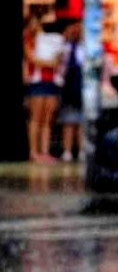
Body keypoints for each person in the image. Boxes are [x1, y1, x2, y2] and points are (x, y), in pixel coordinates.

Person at [23, 12, 64, 163]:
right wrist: (51, 63)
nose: (35, 26)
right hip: (37, 82)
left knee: (47, 119)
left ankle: (45, 151)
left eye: (37, 23)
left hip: (52, 81)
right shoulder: (28, 40)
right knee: (36, 118)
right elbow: (32, 59)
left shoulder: (50, 39)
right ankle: (33, 152)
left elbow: (59, 57)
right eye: (32, 23)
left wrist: (55, 60)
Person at [58, 19, 84, 162]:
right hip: (67, 86)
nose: (76, 31)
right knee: (68, 120)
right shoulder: (64, 47)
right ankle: (67, 151)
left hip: (82, 86)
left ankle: (81, 151)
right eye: (73, 28)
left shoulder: (86, 48)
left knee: (81, 121)